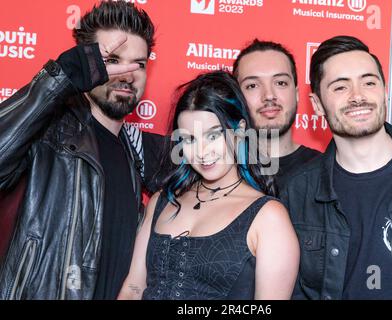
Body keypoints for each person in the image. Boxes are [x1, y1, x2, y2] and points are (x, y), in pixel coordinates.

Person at [0, 0, 164, 299]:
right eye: (112, 60)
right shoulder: (48, 134)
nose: (128, 73)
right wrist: (60, 77)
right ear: (86, 64)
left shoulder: (135, 154)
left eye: (139, 63)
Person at [281, 35, 392, 299]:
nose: (358, 96)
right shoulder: (298, 192)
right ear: (317, 105)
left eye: (369, 82)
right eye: (340, 87)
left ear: (384, 91)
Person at [118, 71, 299, 300]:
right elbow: (133, 289)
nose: (202, 152)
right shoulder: (162, 201)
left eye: (213, 136)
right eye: (189, 139)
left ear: (240, 130)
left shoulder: (268, 216)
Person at [232, 39, 320, 188]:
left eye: (280, 83)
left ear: (297, 94)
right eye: (252, 86)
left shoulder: (326, 170)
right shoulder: (220, 171)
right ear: (236, 97)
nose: (269, 95)